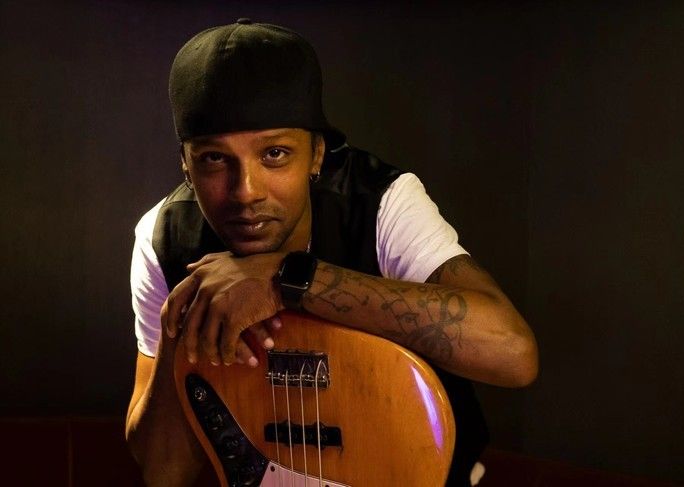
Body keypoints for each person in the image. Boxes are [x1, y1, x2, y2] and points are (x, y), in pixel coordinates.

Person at [125, 18, 538, 487]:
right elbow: (163, 474)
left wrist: (287, 279)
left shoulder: (379, 202)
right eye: (215, 158)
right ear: (185, 163)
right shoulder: (164, 237)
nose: (245, 192)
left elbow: (513, 354)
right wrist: (182, 328)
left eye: (274, 153)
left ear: (317, 154)